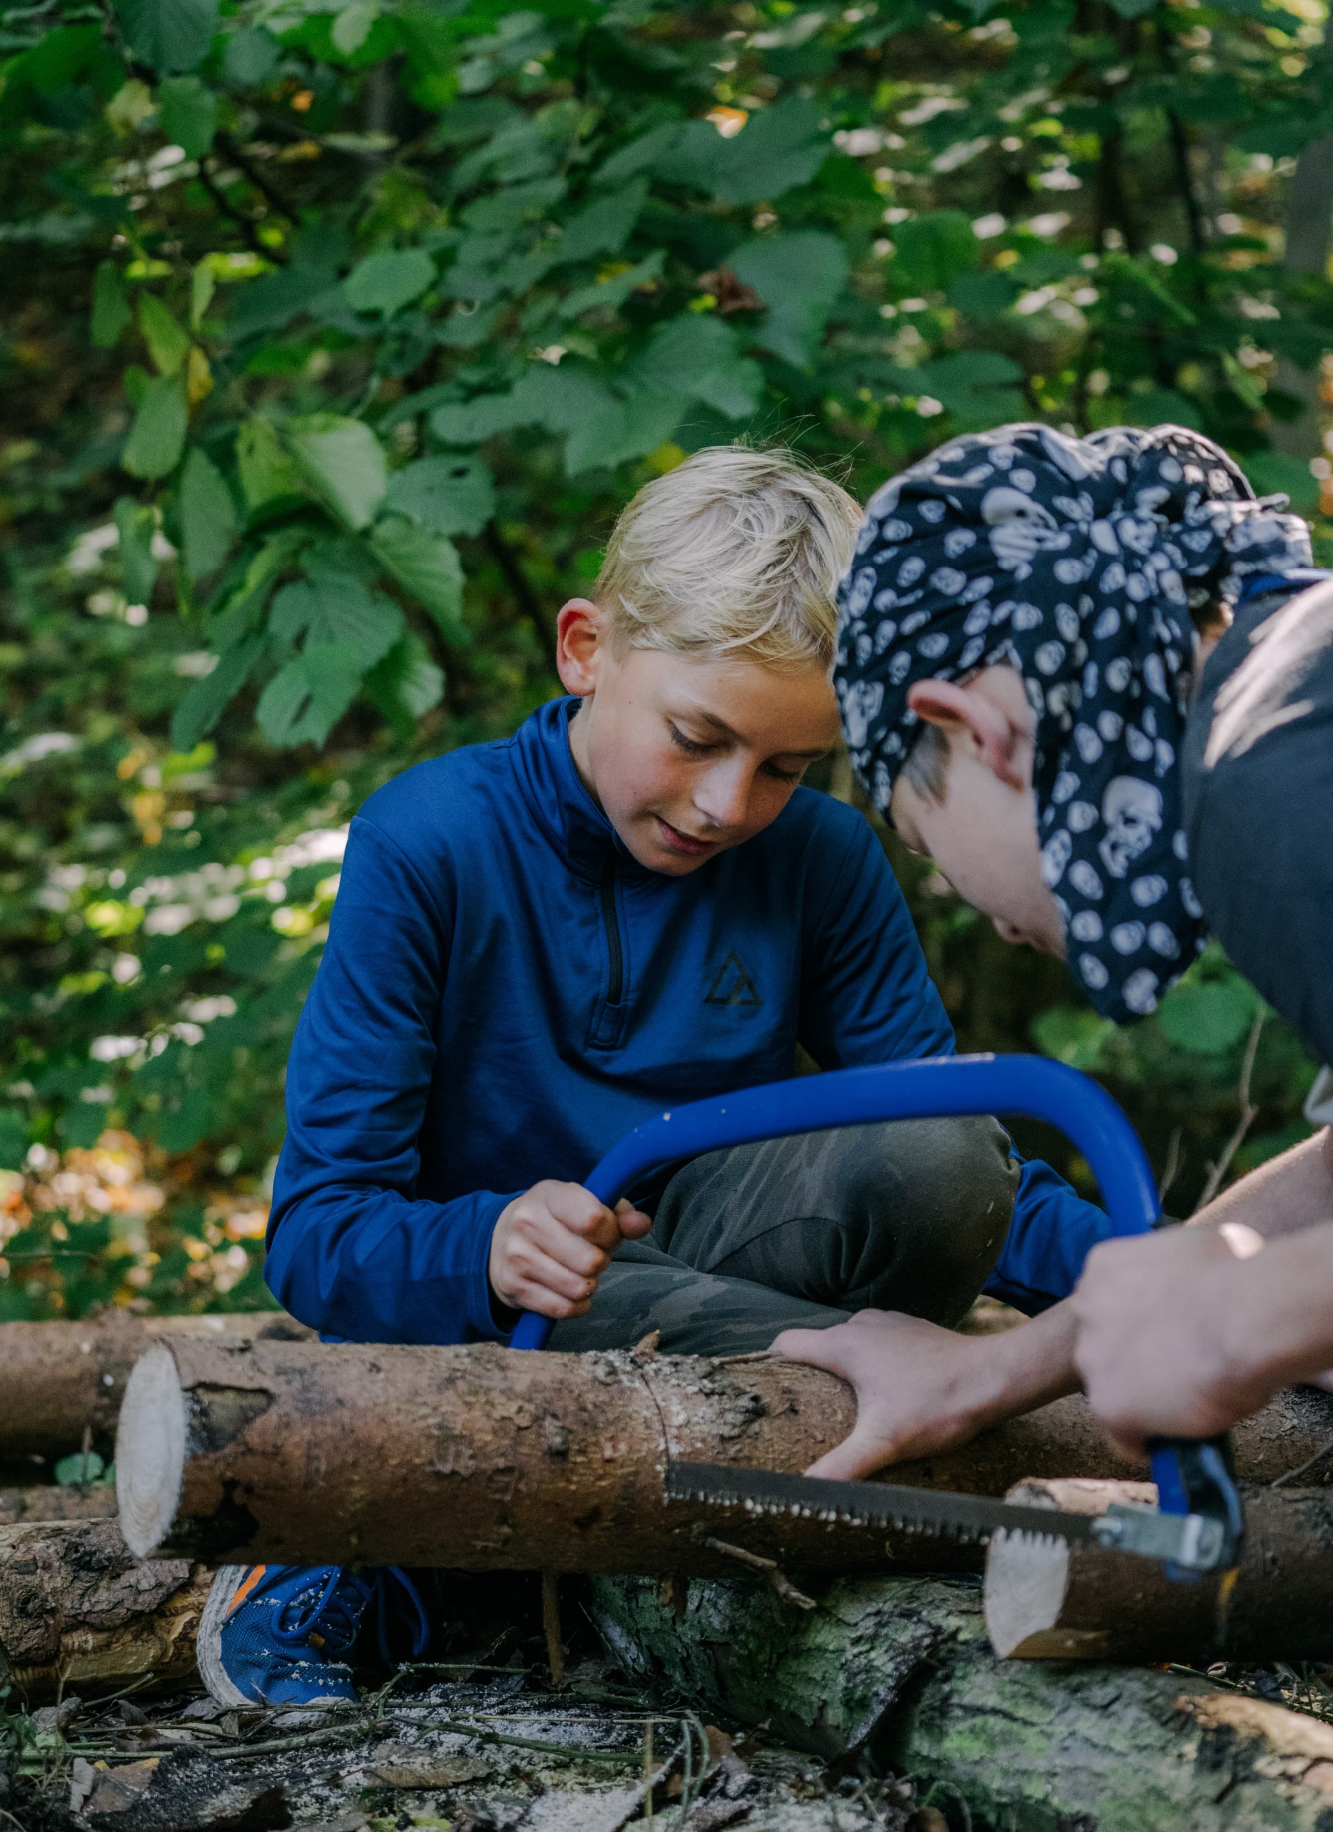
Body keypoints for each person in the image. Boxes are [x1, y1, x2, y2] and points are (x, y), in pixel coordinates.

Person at [197, 445, 1115, 1707]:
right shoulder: (431, 841)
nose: (733, 801)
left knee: (944, 1150)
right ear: (586, 649)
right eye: (697, 737)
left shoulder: (822, 858)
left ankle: (761, 1491)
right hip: (516, 1309)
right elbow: (317, 1230)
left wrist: (1156, 1279)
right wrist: (485, 1244)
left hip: (725, 1291)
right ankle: (356, 1549)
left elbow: (961, 1164)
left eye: (789, 765)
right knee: (579, 1266)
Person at [778, 421, 1333, 1478]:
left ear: (977, 729)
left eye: (926, 841)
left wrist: (1248, 1311)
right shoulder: (1293, 688)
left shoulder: (1267, 784)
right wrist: (1000, 1368)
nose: (971, 904)